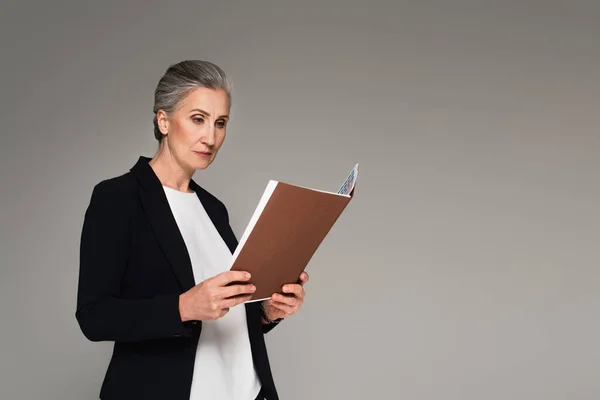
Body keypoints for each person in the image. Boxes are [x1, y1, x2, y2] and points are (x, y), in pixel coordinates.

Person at [75, 60, 309, 400]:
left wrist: (267, 313)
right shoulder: (118, 198)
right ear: (164, 120)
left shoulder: (214, 209)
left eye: (220, 123)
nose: (210, 137)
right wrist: (183, 306)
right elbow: (94, 316)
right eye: (198, 119)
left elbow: (224, 320)